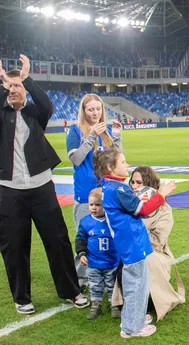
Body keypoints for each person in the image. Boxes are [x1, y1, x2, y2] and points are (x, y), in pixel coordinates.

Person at [0, 56, 89, 315]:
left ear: (26, 90)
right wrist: (3, 84)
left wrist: (26, 77)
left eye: (19, 86)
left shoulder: (34, 114)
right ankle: (22, 297)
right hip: (8, 190)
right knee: (14, 245)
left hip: (41, 187)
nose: (14, 90)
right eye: (10, 87)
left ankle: (71, 290)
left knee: (57, 240)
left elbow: (46, 104)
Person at [93, 148, 176, 338]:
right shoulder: (119, 188)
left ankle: (133, 317)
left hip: (129, 243)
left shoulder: (109, 187)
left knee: (136, 284)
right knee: (136, 286)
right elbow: (144, 209)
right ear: (110, 167)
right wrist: (161, 193)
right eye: (123, 162)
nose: (127, 165)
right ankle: (132, 327)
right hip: (133, 244)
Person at [111, 167, 185, 322]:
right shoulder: (128, 204)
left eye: (139, 182)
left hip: (155, 253)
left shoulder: (164, 210)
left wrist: (134, 232)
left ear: (150, 184)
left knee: (143, 258)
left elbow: (158, 241)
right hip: (128, 250)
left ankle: (143, 304)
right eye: (133, 182)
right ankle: (118, 300)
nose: (134, 186)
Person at [66, 93, 122, 289]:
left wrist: (116, 138)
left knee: (106, 237)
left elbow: (117, 161)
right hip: (85, 195)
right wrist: (91, 137)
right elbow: (76, 159)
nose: (95, 113)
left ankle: (106, 279)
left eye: (98, 109)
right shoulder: (74, 131)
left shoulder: (105, 131)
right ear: (83, 111)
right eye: (90, 109)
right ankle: (80, 280)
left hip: (106, 192)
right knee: (86, 237)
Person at [75, 188, 119, 320]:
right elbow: (80, 239)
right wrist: (82, 254)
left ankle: (114, 304)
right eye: (91, 205)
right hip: (93, 262)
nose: (94, 208)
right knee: (95, 284)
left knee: (112, 284)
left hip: (111, 261)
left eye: (98, 205)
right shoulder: (85, 222)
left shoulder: (112, 220)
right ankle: (96, 304)